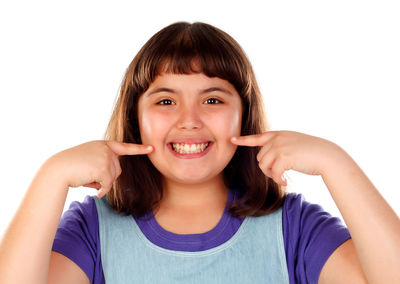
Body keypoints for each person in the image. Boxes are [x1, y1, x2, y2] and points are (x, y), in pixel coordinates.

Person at [0, 21, 399, 284]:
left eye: (212, 100)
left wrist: (336, 162)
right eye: (165, 101)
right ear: (135, 118)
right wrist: (50, 176)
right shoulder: (93, 229)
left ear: (244, 116)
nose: (189, 120)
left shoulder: (292, 227)